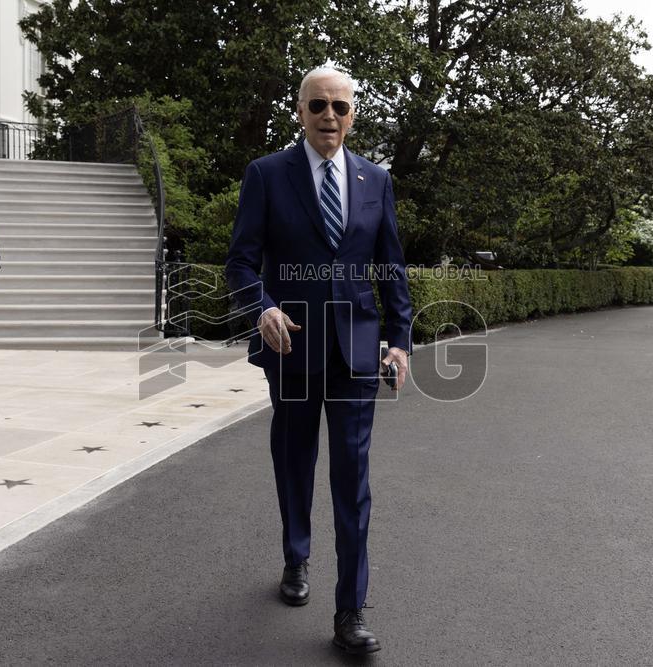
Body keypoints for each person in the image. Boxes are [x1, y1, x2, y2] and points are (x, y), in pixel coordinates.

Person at [225, 67, 412, 655]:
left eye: (340, 106)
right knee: (295, 461)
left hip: (358, 352)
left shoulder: (375, 179)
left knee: (353, 480)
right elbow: (241, 263)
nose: (329, 116)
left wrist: (401, 340)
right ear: (300, 111)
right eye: (318, 106)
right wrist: (263, 308)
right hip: (292, 347)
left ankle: (351, 610)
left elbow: (391, 268)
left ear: (353, 113)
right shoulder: (266, 175)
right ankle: (296, 557)